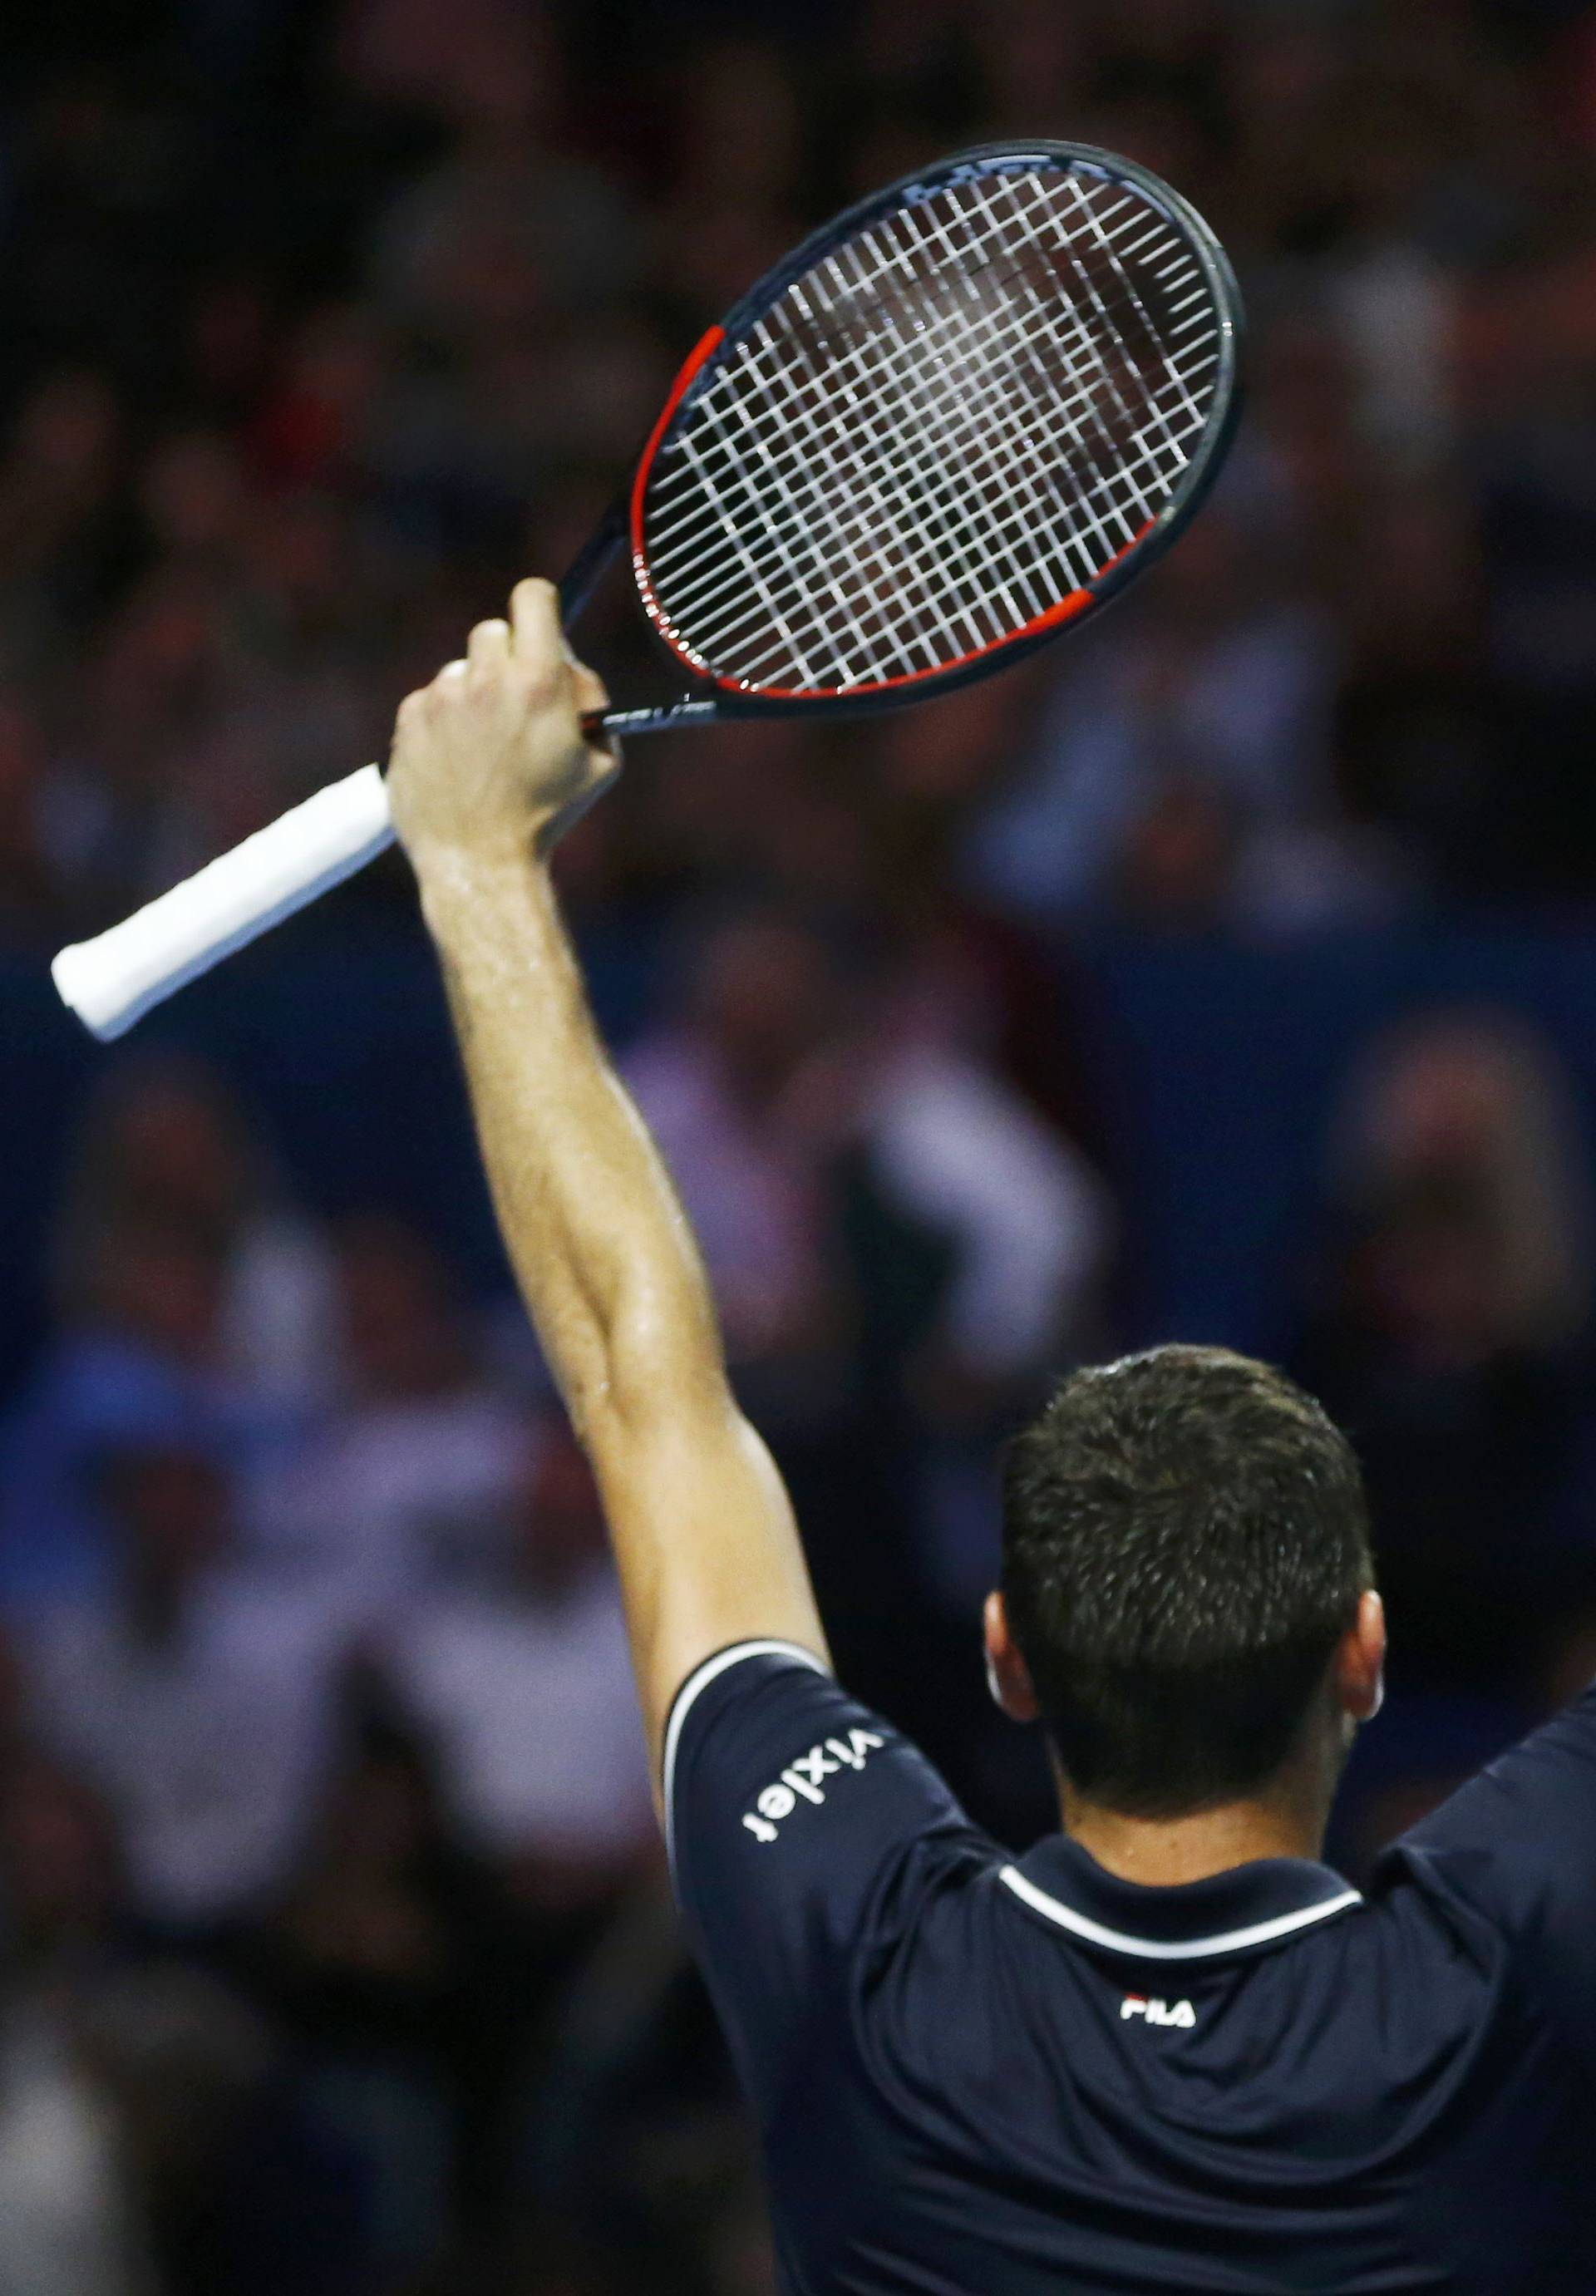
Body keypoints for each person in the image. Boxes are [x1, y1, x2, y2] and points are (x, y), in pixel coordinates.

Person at [383, 579, 1596, 2294]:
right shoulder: (1512, 1960)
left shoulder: (862, 1946)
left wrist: (481, 871)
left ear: (1009, 1659)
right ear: (1363, 1654)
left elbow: (646, 1398)